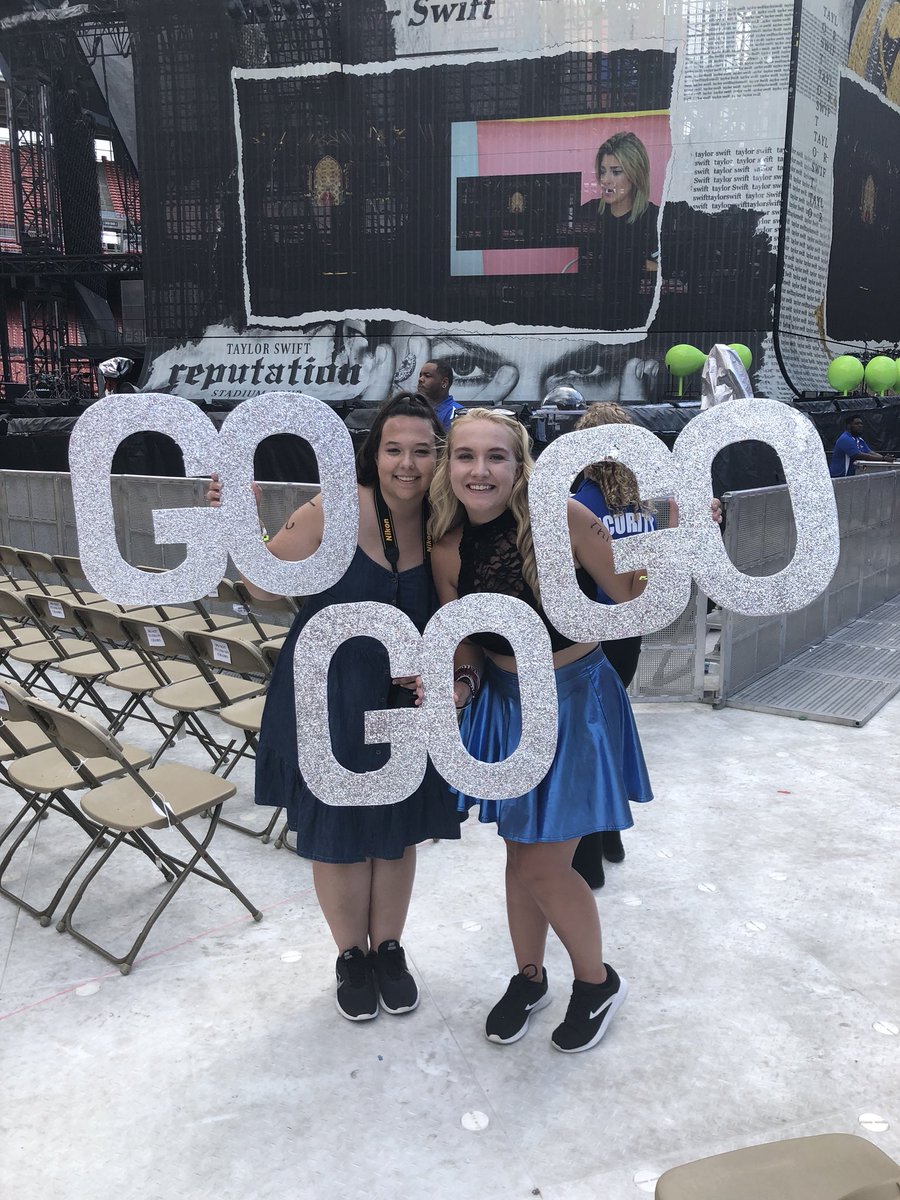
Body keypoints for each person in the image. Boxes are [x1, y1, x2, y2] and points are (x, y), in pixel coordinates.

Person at [208, 393, 460, 1022]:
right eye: (394, 449)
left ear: (440, 457)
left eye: (421, 451)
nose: (407, 463)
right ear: (373, 452)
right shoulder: (335, 506)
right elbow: (264, 584)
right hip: (328, 690)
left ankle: (390, 950)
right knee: (337, 832)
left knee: (396, 831)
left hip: (403, 696)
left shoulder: (446, 518)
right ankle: (352, 955)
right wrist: (235, 519)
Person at [429, 408, 653, 1054]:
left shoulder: (564, 517)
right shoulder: (446, 546)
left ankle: (597, 983)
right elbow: (465, 640)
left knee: (542, 864)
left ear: (519, 465)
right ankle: (530, 978)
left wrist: (678, 537)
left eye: (495, 456)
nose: (480, 470)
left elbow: (631, 592)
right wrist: (462, 683)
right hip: (506, 705)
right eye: (466, 455)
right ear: (449, 465)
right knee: (519, 852)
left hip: (577, 701)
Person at [568, 401, 659, 889]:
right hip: (630, 632)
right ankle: (609, 835)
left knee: (586, 742)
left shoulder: (577, 504)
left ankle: (588, 852)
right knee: (605, 732)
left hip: (590, 637)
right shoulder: (645, 506)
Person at [570, 131, 660, 329]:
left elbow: (669, 272)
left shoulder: (655, 219)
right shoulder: (587, 214)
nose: (606, 180)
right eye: (603, 171)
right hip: (590, 319)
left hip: (641, 322)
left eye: (616, 172)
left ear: (635, 174)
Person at [829, 414, 894, 477]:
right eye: (857, 424)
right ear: (849, 426)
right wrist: (883, 459)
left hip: (851, 476)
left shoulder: (859, 439)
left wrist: (884, 458)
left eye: (861, 424)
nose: (860, 426)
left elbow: (870, 452)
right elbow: (858, 455)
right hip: (840, 476)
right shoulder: (845, 438)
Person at [415, 358, 464, 430]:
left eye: (427, 376)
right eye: (420, 375)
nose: (420, 379)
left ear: (444, 382)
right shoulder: (414, 409)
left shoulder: (456, 414)